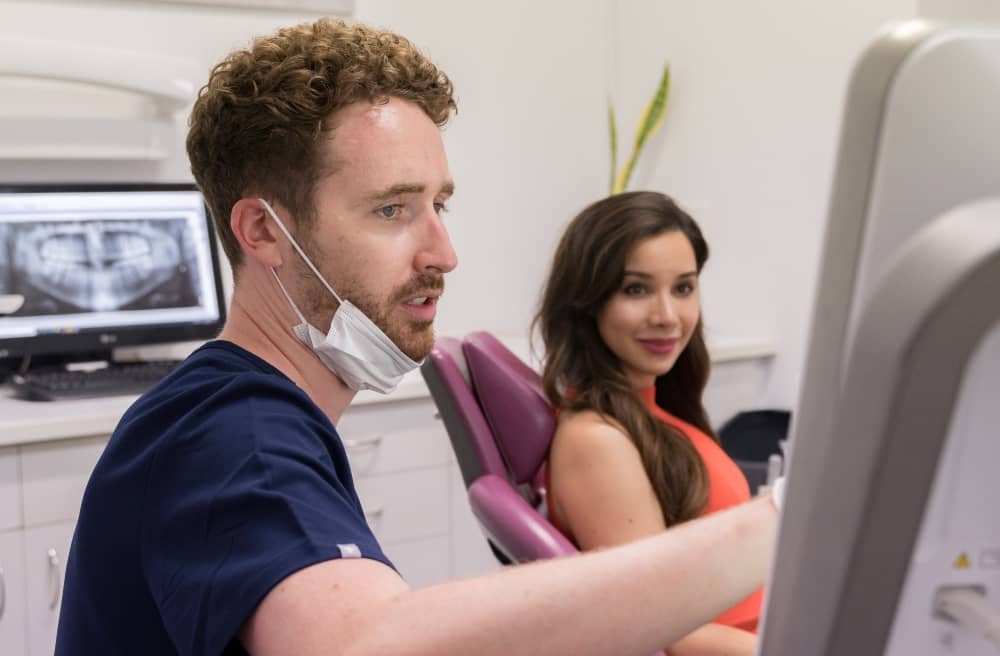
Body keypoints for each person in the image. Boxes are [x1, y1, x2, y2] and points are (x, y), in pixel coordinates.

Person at [55, 18, 780, 656]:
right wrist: (774, 524)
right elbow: (366, 645)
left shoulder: (263, 415)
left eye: (440, 205)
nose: (443, 253)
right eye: (392, 210)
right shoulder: (229, 436)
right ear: (263, 232)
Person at [535, 191, 762, 655]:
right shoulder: (597, 440)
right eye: (636, 289)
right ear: (587, 301)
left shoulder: (653, 410)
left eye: (683, 287)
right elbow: (665, 633)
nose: (667, 317)